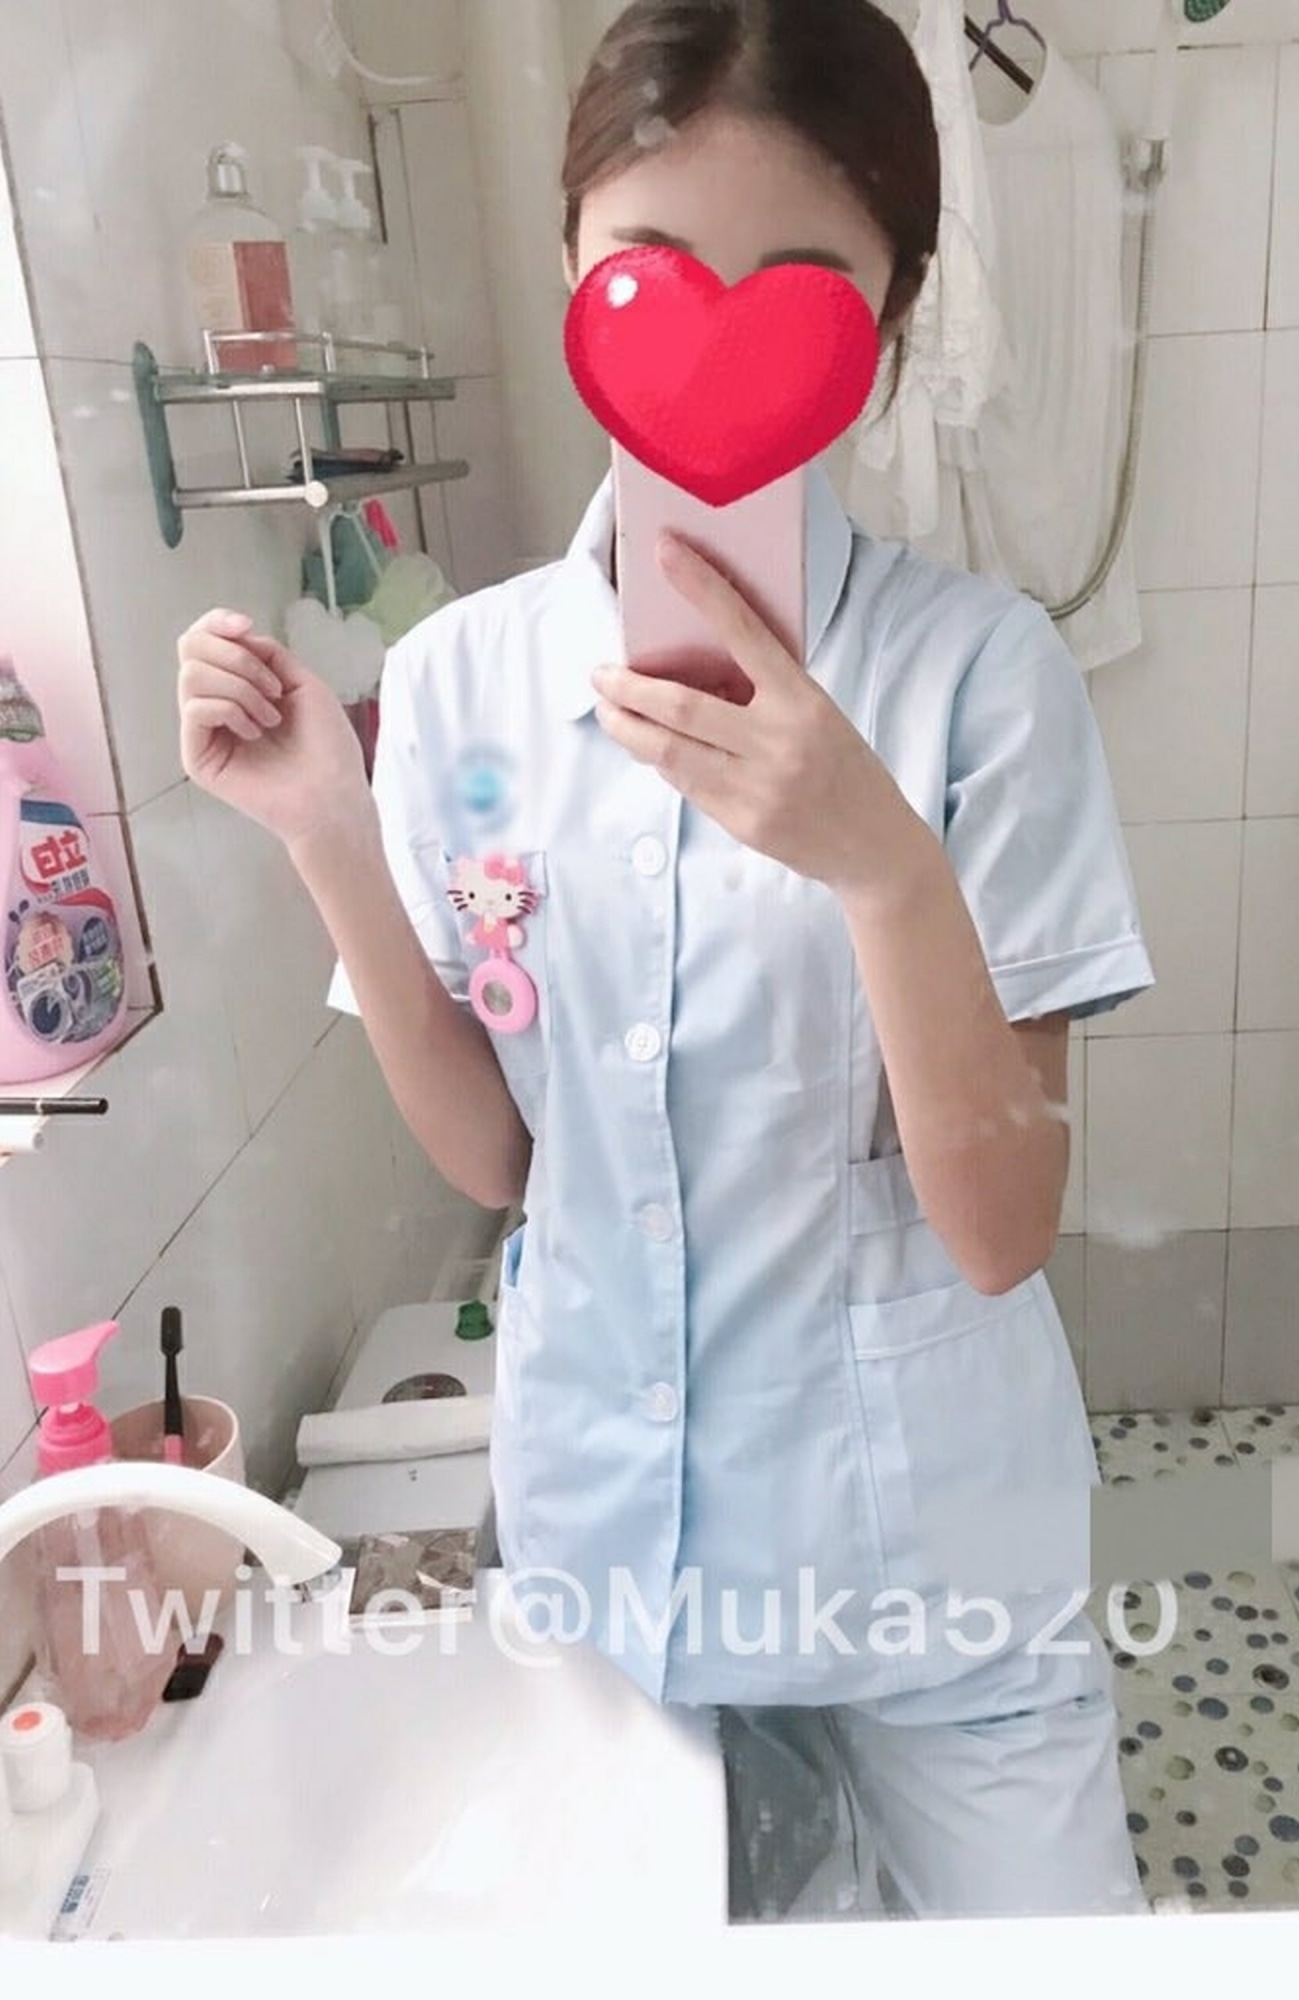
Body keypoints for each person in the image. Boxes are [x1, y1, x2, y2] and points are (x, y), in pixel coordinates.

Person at [176, 0, 1155, 1924]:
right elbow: (501, 1156)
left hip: (934, 1575)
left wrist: (879, 862)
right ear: (572, 269)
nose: (718, 335)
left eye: (803, 285)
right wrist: (327, 834)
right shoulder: (459, 685)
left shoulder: (983, 685)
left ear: (891, 319)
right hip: (615, 1562)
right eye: (651, 264)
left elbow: (1002, 1228)